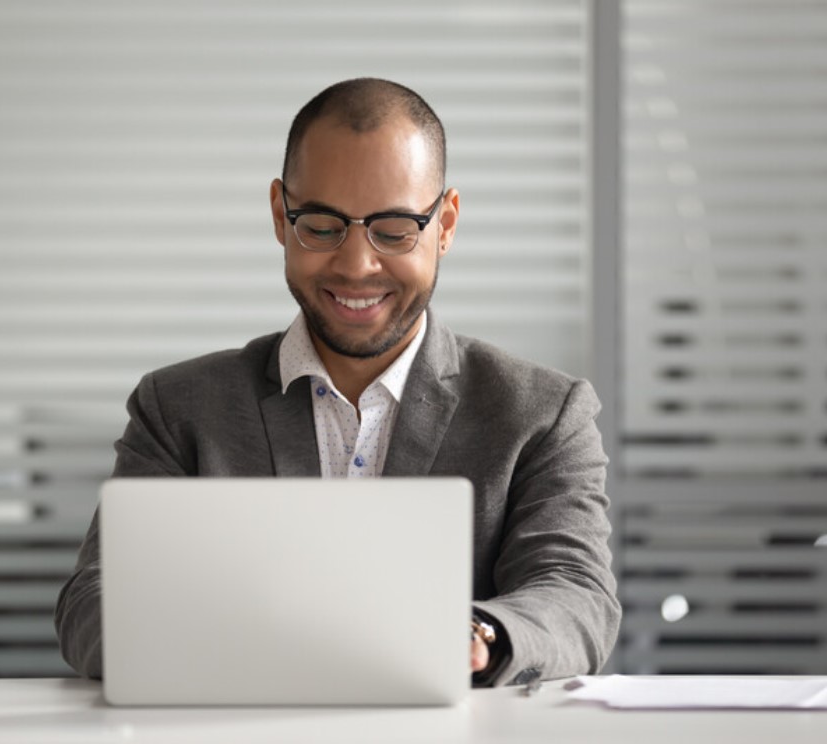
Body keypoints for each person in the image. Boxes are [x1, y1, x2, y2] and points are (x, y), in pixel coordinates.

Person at [55, 78, 620, 687]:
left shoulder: (542, 413)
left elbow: (576, 596)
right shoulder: (178, 409)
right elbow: (95, 602)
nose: (356, 265)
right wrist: (261, 639)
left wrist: (476, 637)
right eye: (322, 226)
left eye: (395, 228)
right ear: (280, 215)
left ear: (446, 224)